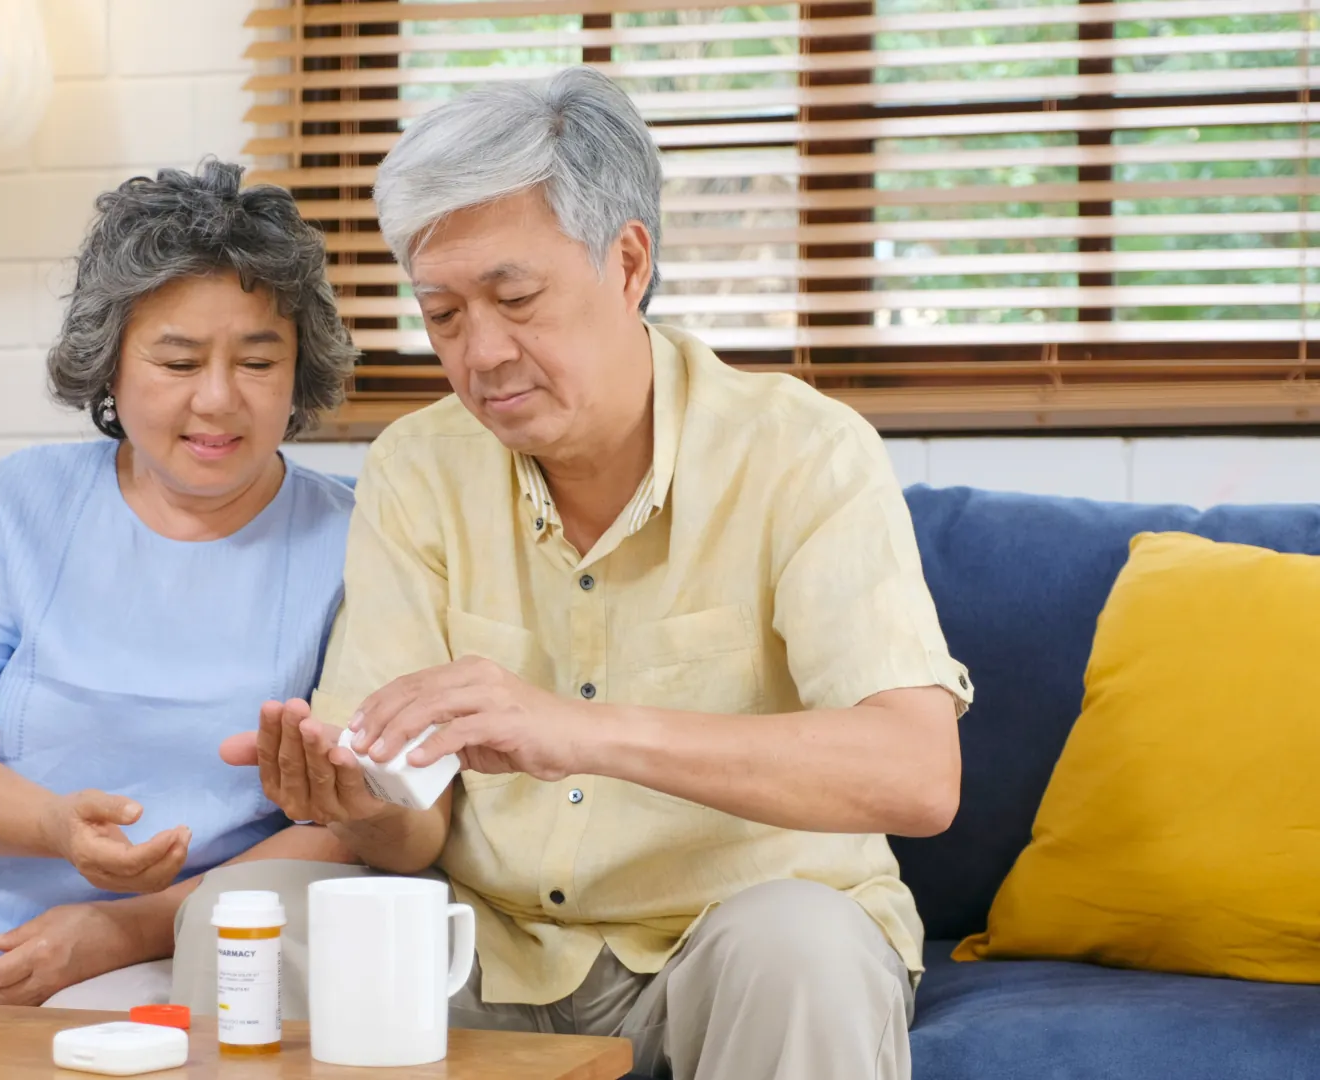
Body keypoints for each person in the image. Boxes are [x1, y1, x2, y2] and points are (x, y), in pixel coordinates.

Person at [174, 70, 973, 1080]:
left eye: (515, 298)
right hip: (488, 942)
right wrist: (360, 797)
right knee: (246, 918)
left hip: (730, 940)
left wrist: (580, 731)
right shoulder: (419, 468)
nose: (483, 354)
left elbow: (914, 772)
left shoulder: (802, 451)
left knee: (804, 949)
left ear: (627, 261)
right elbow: (409, 838)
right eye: (444, 314)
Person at [0, 160, 360, 1007]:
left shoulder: (351, 540)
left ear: (300, 369)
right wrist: (54, 827)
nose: (217, 400)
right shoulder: (20, 501)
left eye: (258, 361)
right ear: (109, 363)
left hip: (196, 941)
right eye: (178, 362)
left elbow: (350, 826)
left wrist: (124, 927)